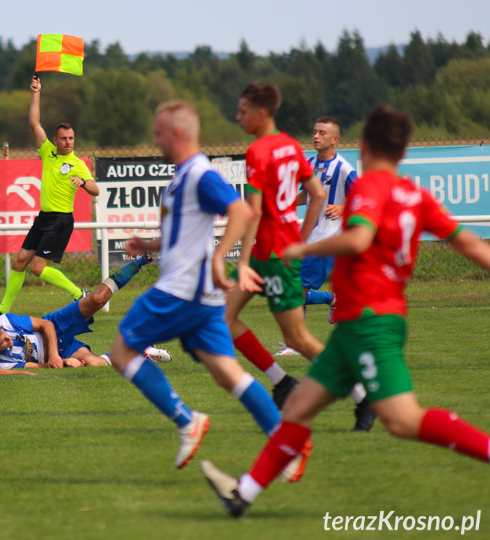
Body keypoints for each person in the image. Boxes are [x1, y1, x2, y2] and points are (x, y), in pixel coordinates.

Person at [202, 105, 490, 518]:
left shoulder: (369, 188)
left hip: (369, 322)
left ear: (366, 146)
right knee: (299, 407)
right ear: (404, 151)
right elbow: (472, 245)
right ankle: (242, 494)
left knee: (403, 420)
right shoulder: (418, 196)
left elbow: (358, 241)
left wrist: (304, 246)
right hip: (360, 323)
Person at [106, 100, 292, 474]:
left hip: (182, 288)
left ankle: (187, 420)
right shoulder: (180, 178)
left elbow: (241, 211)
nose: (154, 140)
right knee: (227, 373)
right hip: (200, 294)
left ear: (176, 134)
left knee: (123, 351)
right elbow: (182, 233)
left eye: (158, 133)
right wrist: (149, 245)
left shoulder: (198, 173)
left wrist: (220, 256)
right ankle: (286, 446)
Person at [225, 84, 371, 429]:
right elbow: (318, 195)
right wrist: (301, 239)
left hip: (272, 256)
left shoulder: (258, 152)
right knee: (224, 318)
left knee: (297, 339)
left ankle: (362, 396)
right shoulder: (291, 147)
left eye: (243, 111)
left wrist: (243, 262)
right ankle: (281, 381)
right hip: (275, 251)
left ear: (261, 114)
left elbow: (254, 212)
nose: (238, 116)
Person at [0, 75, 100, 319]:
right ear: (55, 140)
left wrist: (84, 182)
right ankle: (2, 310)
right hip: (44, 219)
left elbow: (96, 189)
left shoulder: (77, 163)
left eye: (71, 138)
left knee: (37, 268)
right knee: (19, 262)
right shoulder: (48, 153)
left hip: (61, 221)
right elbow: (34, 122)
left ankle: (79, 294)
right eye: (64, 138)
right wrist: (36, 92)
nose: (68, 142)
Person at [0, 255, 172, 369]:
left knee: (97, 298)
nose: (9, 339)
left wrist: (52, 353)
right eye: (3, 342)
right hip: (63, 351)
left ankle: (140, 261)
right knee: (96, 364)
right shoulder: (1, 362)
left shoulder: (5, 322)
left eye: (5, 336)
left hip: (56, 324)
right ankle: (142, 350)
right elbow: (40, 367)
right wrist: (62, 360)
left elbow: (46, 325)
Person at [296, 117, 357, 324]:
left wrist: (342, 207)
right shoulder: (309, 164)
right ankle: (333, 299)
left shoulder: (343, 168)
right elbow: (306, 195)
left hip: (327, 240)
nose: (316, 136)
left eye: (322, 133)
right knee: (288, 288)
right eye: (314, 132)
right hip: (307, 237)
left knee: (294, 292)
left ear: (334, 139)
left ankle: (294, 342)